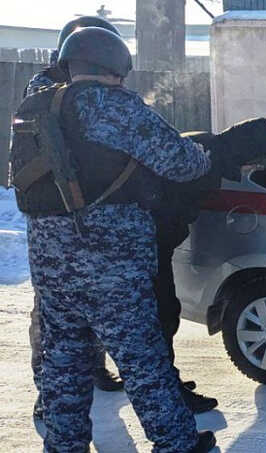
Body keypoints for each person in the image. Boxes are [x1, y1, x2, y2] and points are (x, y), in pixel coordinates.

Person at [10, 27, 217, 452]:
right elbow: (181, 162)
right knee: (143, 360)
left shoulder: (34, 107)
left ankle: (64, 445)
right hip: (111, 264)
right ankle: (177, 444)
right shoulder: (114, 106)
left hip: (50, 263)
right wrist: (204, 156)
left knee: (63, 360)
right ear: (114, 67)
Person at [23, 16, 126, 422]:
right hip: (54, 219)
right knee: (49, 317)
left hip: (88, 213)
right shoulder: (46, 89)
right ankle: (46, 391)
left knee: (86, 307)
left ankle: (95, 367)